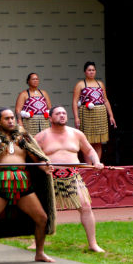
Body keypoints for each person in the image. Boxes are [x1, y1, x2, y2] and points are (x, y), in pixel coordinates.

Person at [0, 108, 56, 264]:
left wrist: (45, 167)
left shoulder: (24, 138)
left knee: (42, 218)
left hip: (22, 183)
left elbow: (37, 159)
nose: (11, 121)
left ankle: (40, 253)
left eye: (12, 118)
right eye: (7, 118)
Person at [34, 106, 105, 252]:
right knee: (42, 210)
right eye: (58, 113)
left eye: (64, 113)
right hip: (50, 177)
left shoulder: (76, 134)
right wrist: (43, 167)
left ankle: (93, 244)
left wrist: (96, 161)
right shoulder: (41, 137)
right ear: (50, 117)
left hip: (72, 176)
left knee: (86, 207)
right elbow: (33, 158)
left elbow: (90, 150)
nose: (62, 115)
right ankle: (36, 243)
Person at [72, 61, 116, 161]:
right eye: (89, 70)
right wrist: (76, 117)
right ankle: (89, 166)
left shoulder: (100, 84)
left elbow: (105, 100)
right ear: (85, 72)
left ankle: (97, 163)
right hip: (86, 113)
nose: (91, 72)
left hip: (100, 113)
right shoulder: (80, 84)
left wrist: (111, 115)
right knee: (87, 141)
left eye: (93, 70)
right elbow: (75, 102)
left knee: (98, 141)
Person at [15, 72, 51, 137]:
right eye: (33, 79)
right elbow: (18, 110)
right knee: (31, 141)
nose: (35, 81)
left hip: (44, 122)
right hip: (30, 123)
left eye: (37, 79)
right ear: (28, 81)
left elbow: (50, 108)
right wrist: (20, 122)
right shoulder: (23, 94)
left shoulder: (44, 93)